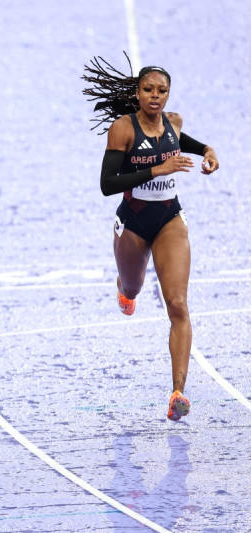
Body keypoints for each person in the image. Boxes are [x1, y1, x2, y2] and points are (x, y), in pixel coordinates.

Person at [83, 56, 219, 421]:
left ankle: (178, 393)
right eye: (148, 90)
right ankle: (124, 289)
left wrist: (206, 151)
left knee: (177, 304)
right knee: (134, 286)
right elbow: (106, 185)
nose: (155, 96)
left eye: (162, 90)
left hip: (169, 219)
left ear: (168, 94)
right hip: (133, 222)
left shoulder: (173, 124)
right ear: (138, 93)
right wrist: (157, 169)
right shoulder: (123, 130)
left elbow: (184, 141)